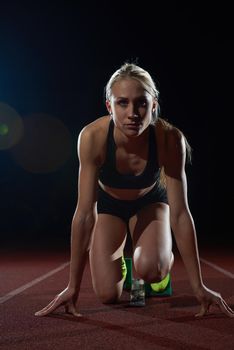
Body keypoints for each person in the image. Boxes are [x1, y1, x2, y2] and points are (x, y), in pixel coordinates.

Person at [35, 62, 234, 318]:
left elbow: (181, 214)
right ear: (109, 106)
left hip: (149, 204)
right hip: (109, 207)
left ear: (153, 104)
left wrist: (199, 286)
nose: (133, 113)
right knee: (107, 295)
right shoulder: (92, 138)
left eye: (141, 103)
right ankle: (129, 272)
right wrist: (73, 286)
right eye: (122, 103)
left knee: (151, 267)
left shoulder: (170, 139)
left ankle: (155, 275)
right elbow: (84, 214)